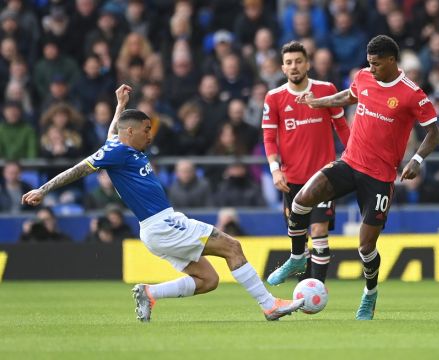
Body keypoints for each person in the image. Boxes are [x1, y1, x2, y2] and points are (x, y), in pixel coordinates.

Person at [22, 84, 303, 322]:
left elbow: (112, 133)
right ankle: (269, 305)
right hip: (163, 224)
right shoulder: (117, 151)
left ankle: (149, 293)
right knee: (233, 246)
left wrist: (120, 104)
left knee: (208, 280)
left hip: (156, 228)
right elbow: (79, 169)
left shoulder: (120, 146)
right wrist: (43, 189)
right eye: (145, 129)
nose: (150, 134)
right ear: (130, 132)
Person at [292, 35, 439, 320]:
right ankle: (297, 257)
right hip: (350, 163)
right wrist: (317, 102)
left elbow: (433, 132)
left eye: (375, 64)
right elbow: (350, 95)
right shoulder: (363, 76)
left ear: (391, 61)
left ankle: (370, 293)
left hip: (380, 178)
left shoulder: (412, 93)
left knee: (365, 246)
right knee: (303, 198)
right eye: (368, 63)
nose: (370, 69)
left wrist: (417, 160)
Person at [262, 41, 350, 286]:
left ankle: (316, 289)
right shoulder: (274, 97)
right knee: (298, 236)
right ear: (282, 68)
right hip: (292, 181)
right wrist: (275, 169)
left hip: (324, 177)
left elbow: (341, 127)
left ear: (308, 64)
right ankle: (297, 259)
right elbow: (268, 137)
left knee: (319, 231)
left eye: (299, 61)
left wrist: (355, 155)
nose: (294, 66)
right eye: (289, 62)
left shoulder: (326, 90)